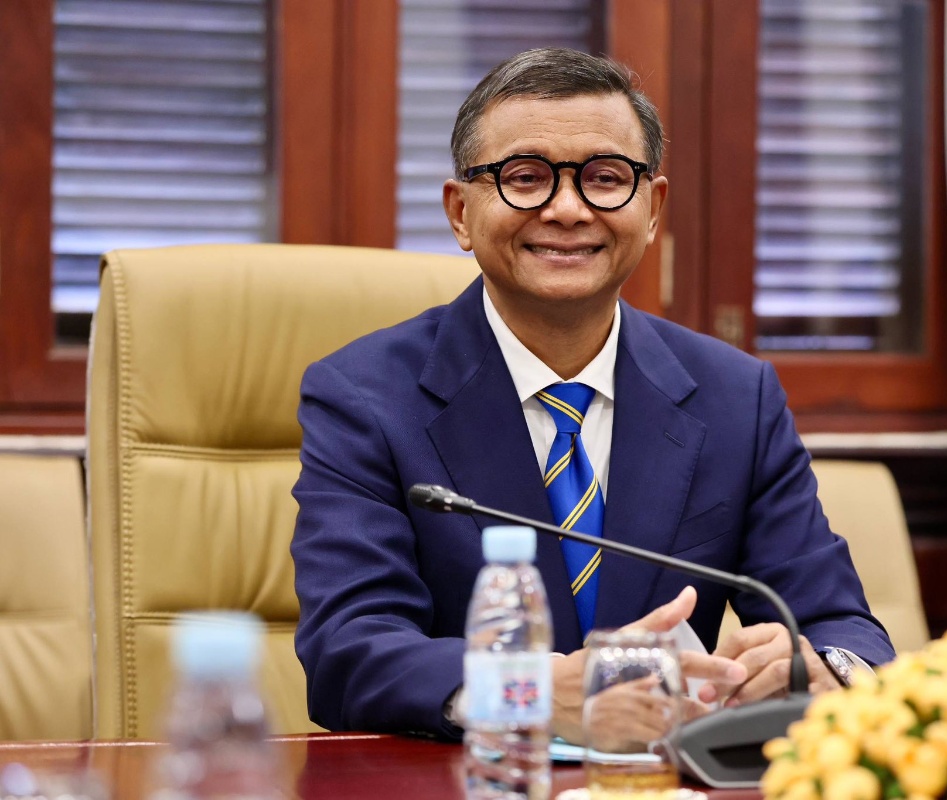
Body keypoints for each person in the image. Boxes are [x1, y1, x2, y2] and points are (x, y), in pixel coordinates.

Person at [291, 47, 894, 743]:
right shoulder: (364, 397)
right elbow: (348, 650)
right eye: (525, 177)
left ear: (653, 208)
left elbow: (840, 625)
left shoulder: (736, 397)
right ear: (460, 213)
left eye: (606, 178)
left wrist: (821, 669)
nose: (568, 209)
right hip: (478, 779)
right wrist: (531, 692)